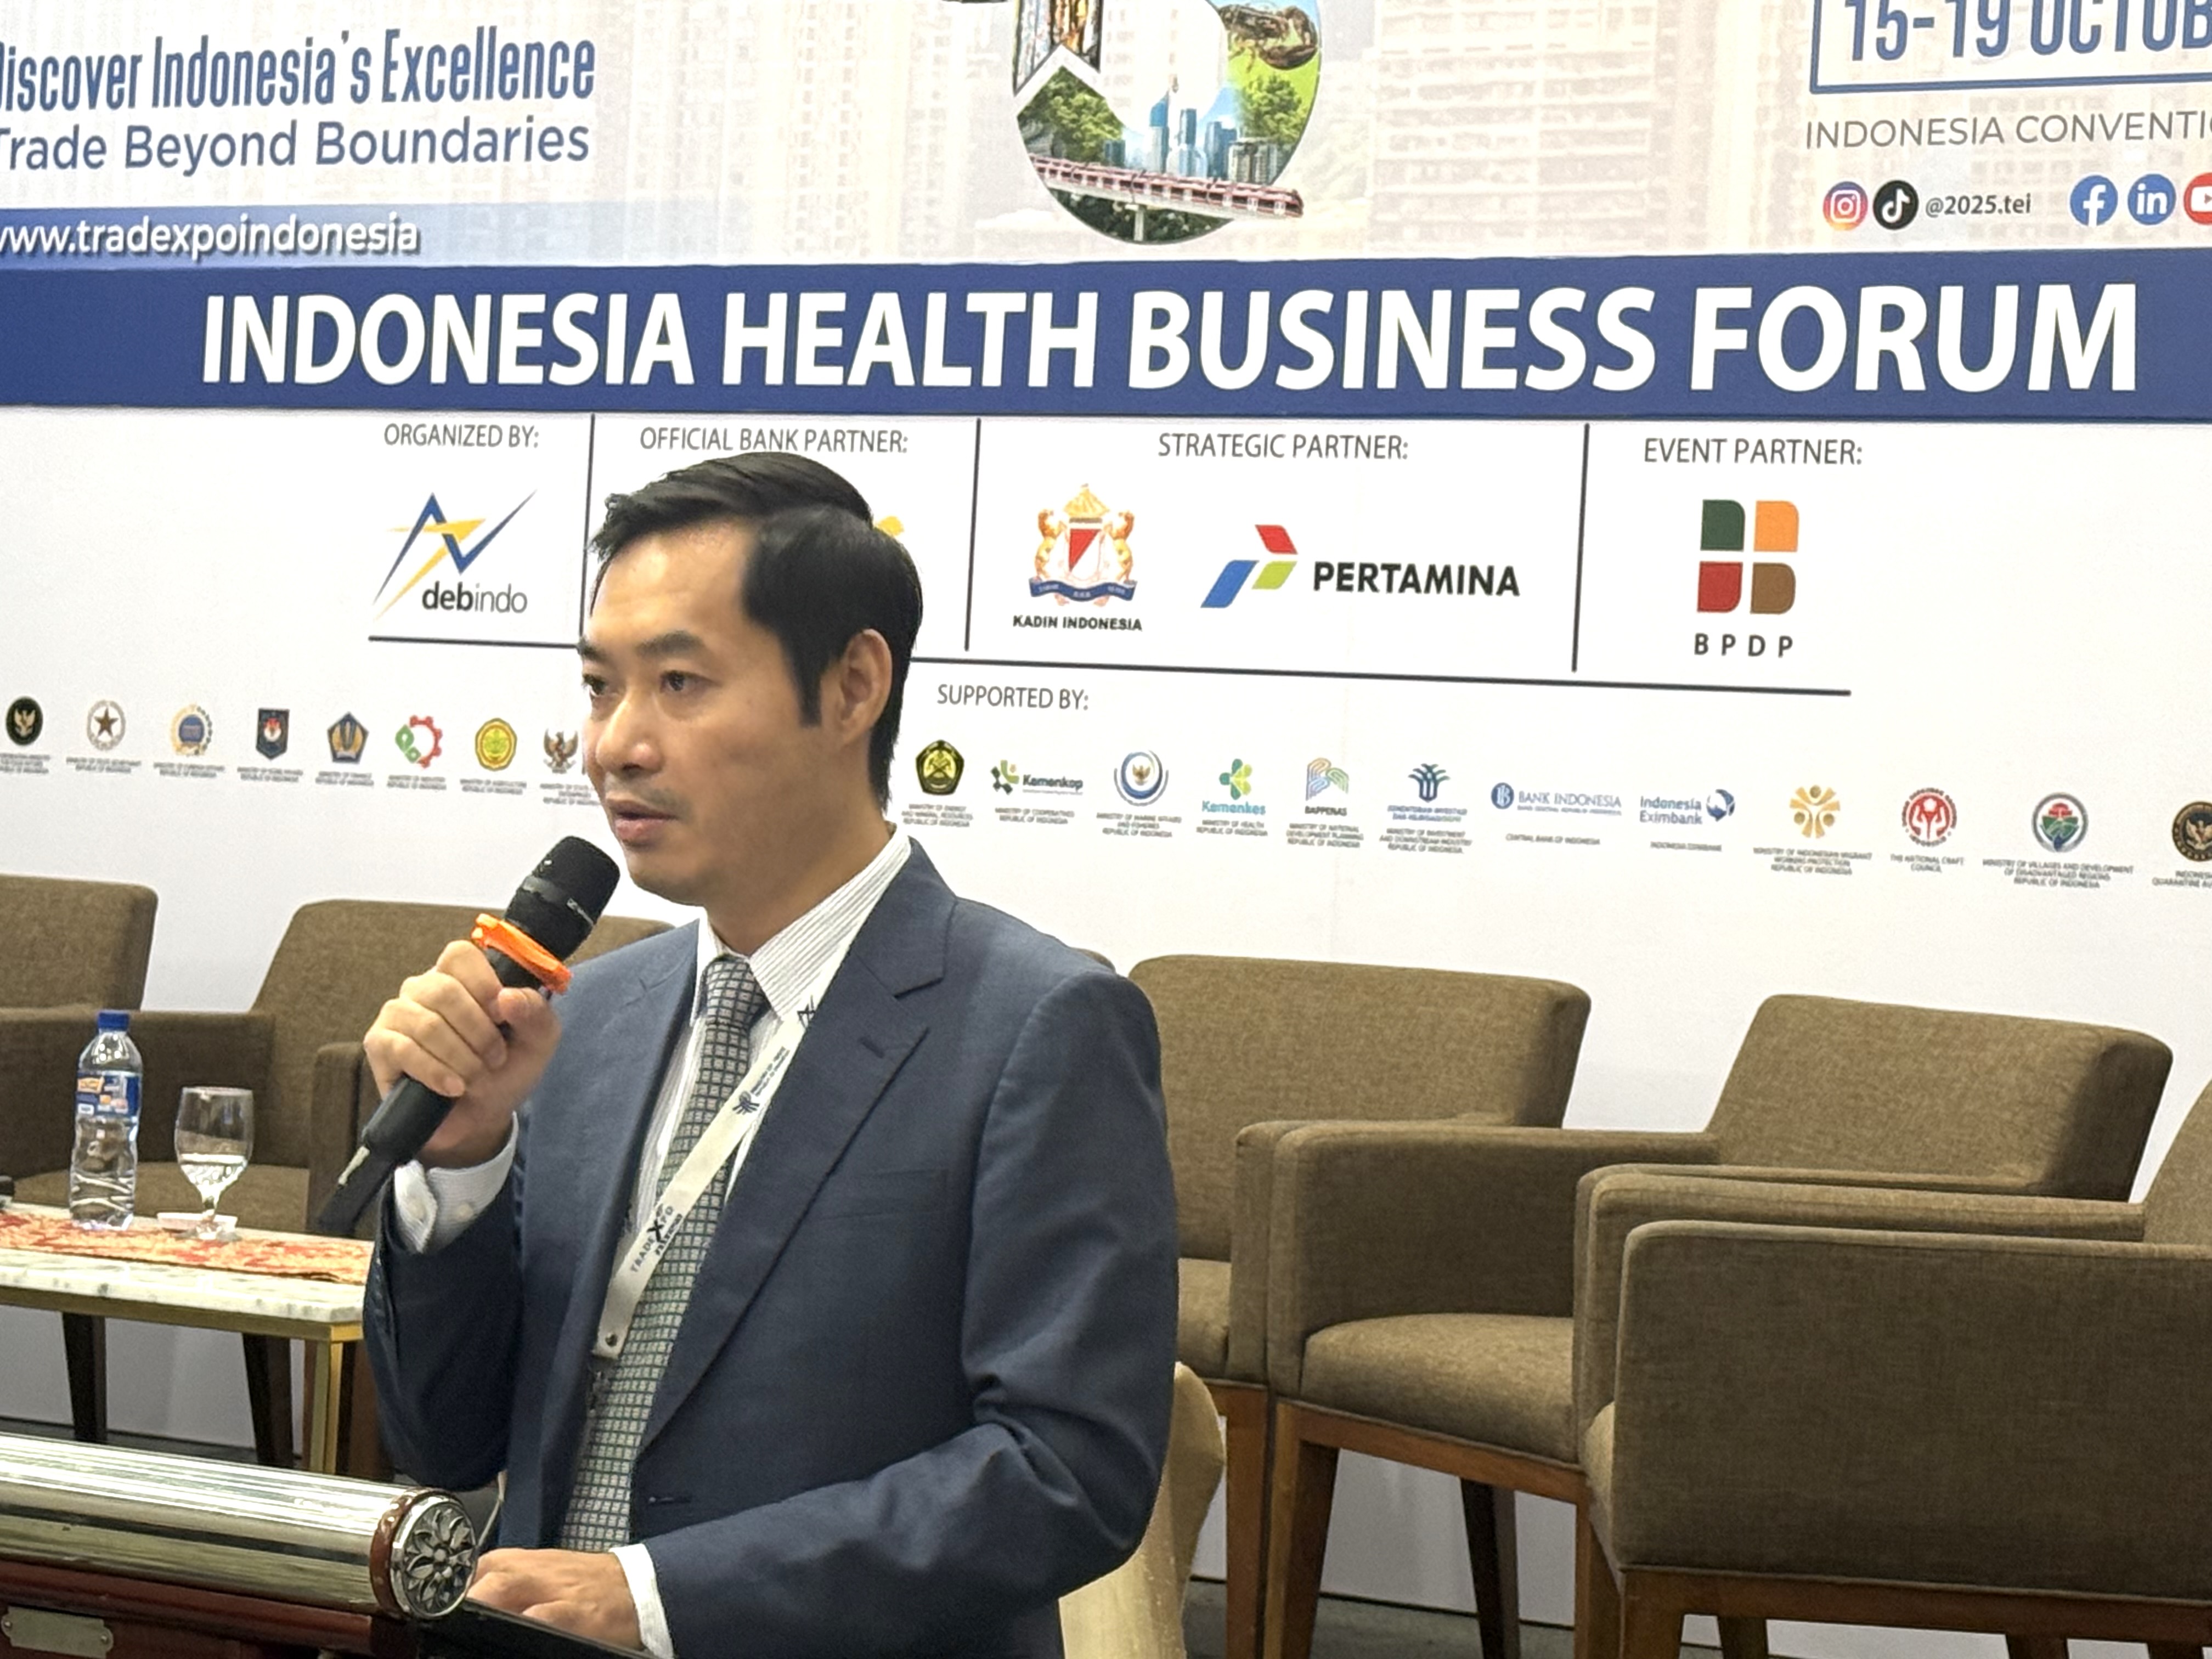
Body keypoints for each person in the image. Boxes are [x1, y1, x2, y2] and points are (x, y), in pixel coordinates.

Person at [360, 452, 1178, 1659]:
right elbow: (444, 1440)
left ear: (852, 688)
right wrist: (462, 1163)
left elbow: (1066, 1472)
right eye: (599, 687)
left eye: (680, 683)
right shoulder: (584, 1018)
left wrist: (663, 1598)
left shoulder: (1038, 1026)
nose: (617, 745)